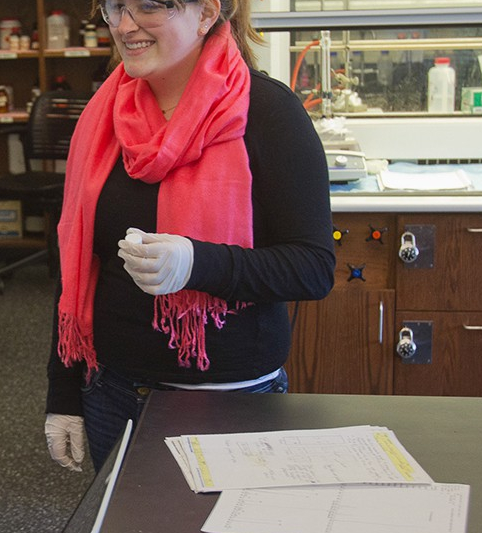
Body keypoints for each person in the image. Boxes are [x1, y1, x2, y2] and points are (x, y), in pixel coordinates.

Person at [44, 0, 336, 472]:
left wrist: (198, 264)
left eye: (148, 6)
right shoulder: (104, 116)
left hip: (230, 405)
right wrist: (63, 392)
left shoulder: (267, 111)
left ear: (206, 14)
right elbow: (75, 263)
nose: (124, 25)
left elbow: (313, 268)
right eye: (114, 7)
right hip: (112, 392)